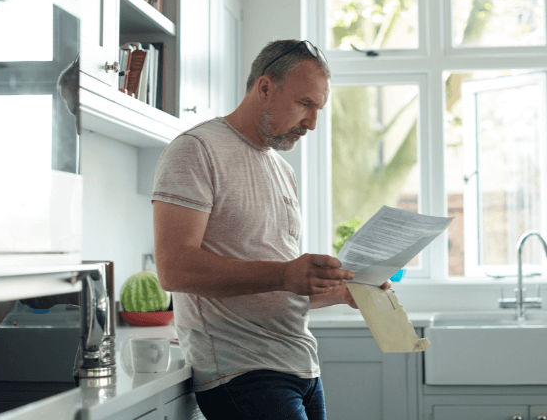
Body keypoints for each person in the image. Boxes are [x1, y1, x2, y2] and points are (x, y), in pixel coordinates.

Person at [151, 39, 391, 420]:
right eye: (305, 104)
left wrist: (345, 292)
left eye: (318, 109)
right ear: (264, 88)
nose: (312, 123)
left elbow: (279, 286)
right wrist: (285, 272)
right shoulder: (196, 150)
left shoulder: (282, 169)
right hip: (243, 374)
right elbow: (174, 268)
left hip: (302, 368)